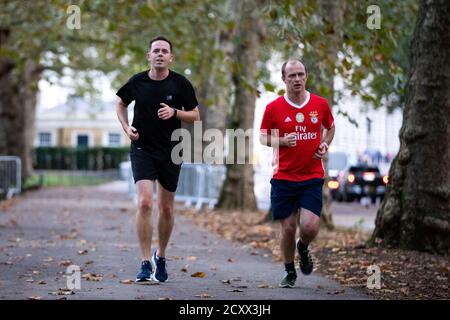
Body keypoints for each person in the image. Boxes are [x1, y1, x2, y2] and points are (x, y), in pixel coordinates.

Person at [116, 36, 200, 283]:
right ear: (149, 56)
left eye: (165, 51)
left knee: (166, 208)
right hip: (142, 147)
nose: (160, 54)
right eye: (156, 51)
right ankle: (145, 262)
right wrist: (125, 127)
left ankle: (160, 255)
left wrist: (175, 112)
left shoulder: (181, 84)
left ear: (171, 57)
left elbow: (195, 115)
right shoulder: (137, 82)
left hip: (171, 150)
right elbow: (120, 104)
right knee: (144, 203)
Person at [259, 59, 335, 288]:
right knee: (288, 228)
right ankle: (290, 271)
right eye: (291, 76)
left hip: (312, 175)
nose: (297, 79)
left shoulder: (320, 104)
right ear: (284, 79)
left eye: (300, 74)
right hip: (283, 177)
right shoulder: (273, 108)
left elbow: (330, 127)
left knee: (310, 226)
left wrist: (324, 144)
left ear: (306, 77)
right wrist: (281, 140)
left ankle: (303, 247)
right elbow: (262, 137)